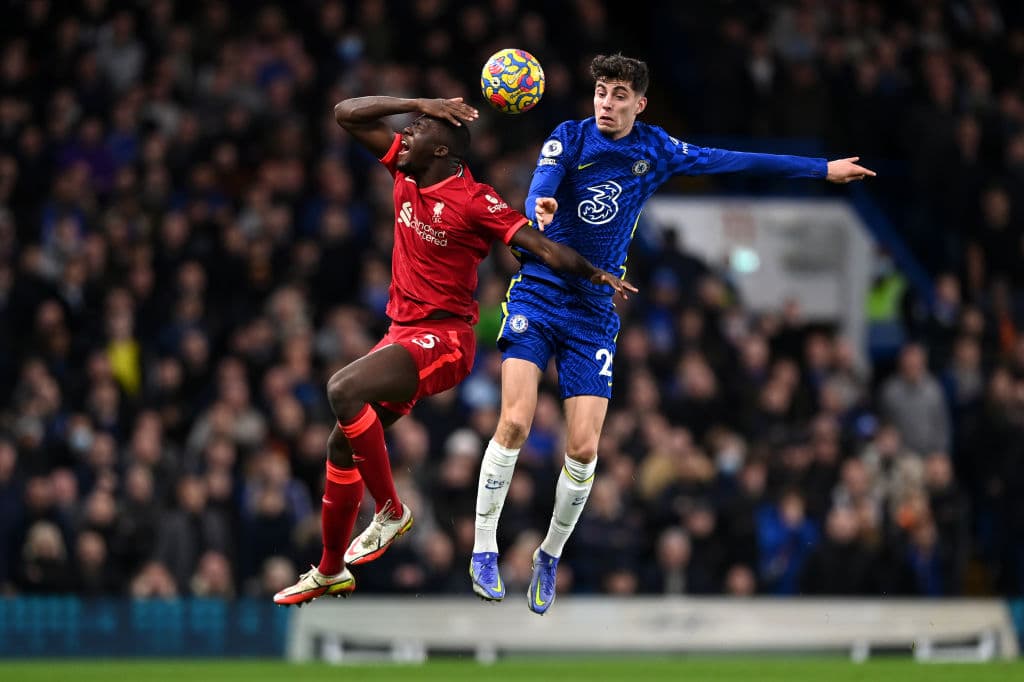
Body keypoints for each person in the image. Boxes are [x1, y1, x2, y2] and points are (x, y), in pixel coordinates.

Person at [470, 54, 875, 613]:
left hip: (593, 311)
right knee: (514, 419)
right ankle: (484, 547)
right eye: (601, 93)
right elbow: (546, 177)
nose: (606, 104)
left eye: (618, 95)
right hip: (540, 292)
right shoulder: (569, 136)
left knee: (584, 448)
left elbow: (734, 161)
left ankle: (548, 555)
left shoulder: (656, 150)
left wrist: (819, 170)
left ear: (639, 102)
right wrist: (540, 201)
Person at [272, 94, 635, 606]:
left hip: (445, 339)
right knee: (340, 446)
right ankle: (331, 570)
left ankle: (392, 511)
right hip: (401, 334)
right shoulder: (405, 167)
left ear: (441, 150)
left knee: (342, 389)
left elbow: (540, 245)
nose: (407, 133)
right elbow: (345, 113)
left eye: (418, 128)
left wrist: (593, 272)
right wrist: (417, 101)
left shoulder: (473, 199)